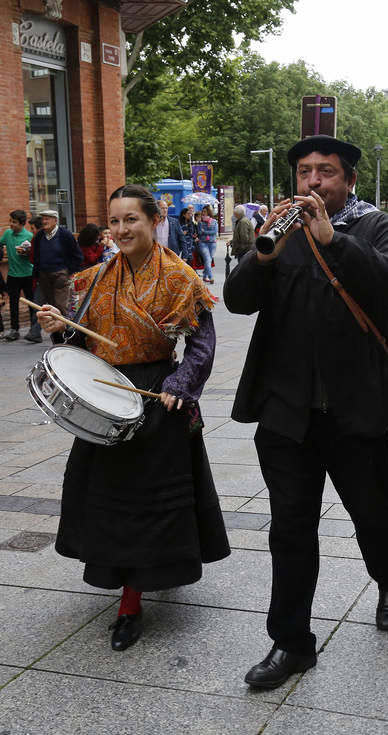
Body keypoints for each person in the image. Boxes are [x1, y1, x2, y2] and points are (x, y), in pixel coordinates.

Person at [224, 134, 388, 691]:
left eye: (326, 172)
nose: (314, 181)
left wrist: (333, 241)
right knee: (289, 529)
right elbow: (237, 299)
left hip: (356, 409)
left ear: (348, 181)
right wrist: (265, 253)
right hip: (286, 411)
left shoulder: (374, 226)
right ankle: (291, 643)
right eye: (306, 171)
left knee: (373, 512)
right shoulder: (279, 231)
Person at [35, 184, 229, 652]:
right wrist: (60, 328)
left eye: (131, 220)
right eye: (115, 221)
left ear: (154, 221)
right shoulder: (97, 278)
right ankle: (127, 580)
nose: (121, 230)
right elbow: (79, 346)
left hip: (155, 397)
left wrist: (178, 387)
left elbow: (201, 346)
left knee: (147, 503)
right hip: (105, 394)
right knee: (109, 499)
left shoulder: (180, 278)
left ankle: (131, 603)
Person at [31, 209, 82, 318]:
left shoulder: (65, 235)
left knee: (61, 304)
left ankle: (65, 330)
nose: (44, 222)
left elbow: (77, 255)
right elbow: (36, 255)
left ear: (55, 221)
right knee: (51, 305)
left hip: (61, 274)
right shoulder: (39, 235)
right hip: (44, 275)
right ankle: (56, 332)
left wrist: (70, 271)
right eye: (43, 219)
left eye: (47, 219)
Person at [0, 210, 36, 341]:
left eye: (13, 222)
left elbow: (34, 255)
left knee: (31, 303)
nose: (10, 224)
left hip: (28, 274)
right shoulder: (8, 234)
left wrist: (26, 252)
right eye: (10, 221)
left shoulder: (29, 236)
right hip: (12, 275)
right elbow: (0, 243)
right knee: (13, 303)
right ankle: (14, 330)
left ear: (21, 224)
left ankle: (34, 330)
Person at [196, 205, 218, 283]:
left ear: (208, 212)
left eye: (205, 211)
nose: (203, 213)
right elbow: (199, 233)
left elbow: (214, 232)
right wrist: (202, 230)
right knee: (207, 259)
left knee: (208, 260)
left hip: (212, 243)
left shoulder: (214, 221)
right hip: (203, 243)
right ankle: (210, 277)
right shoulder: (200, 222)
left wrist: (204, 232)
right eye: (203, 212)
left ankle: (205, 275)